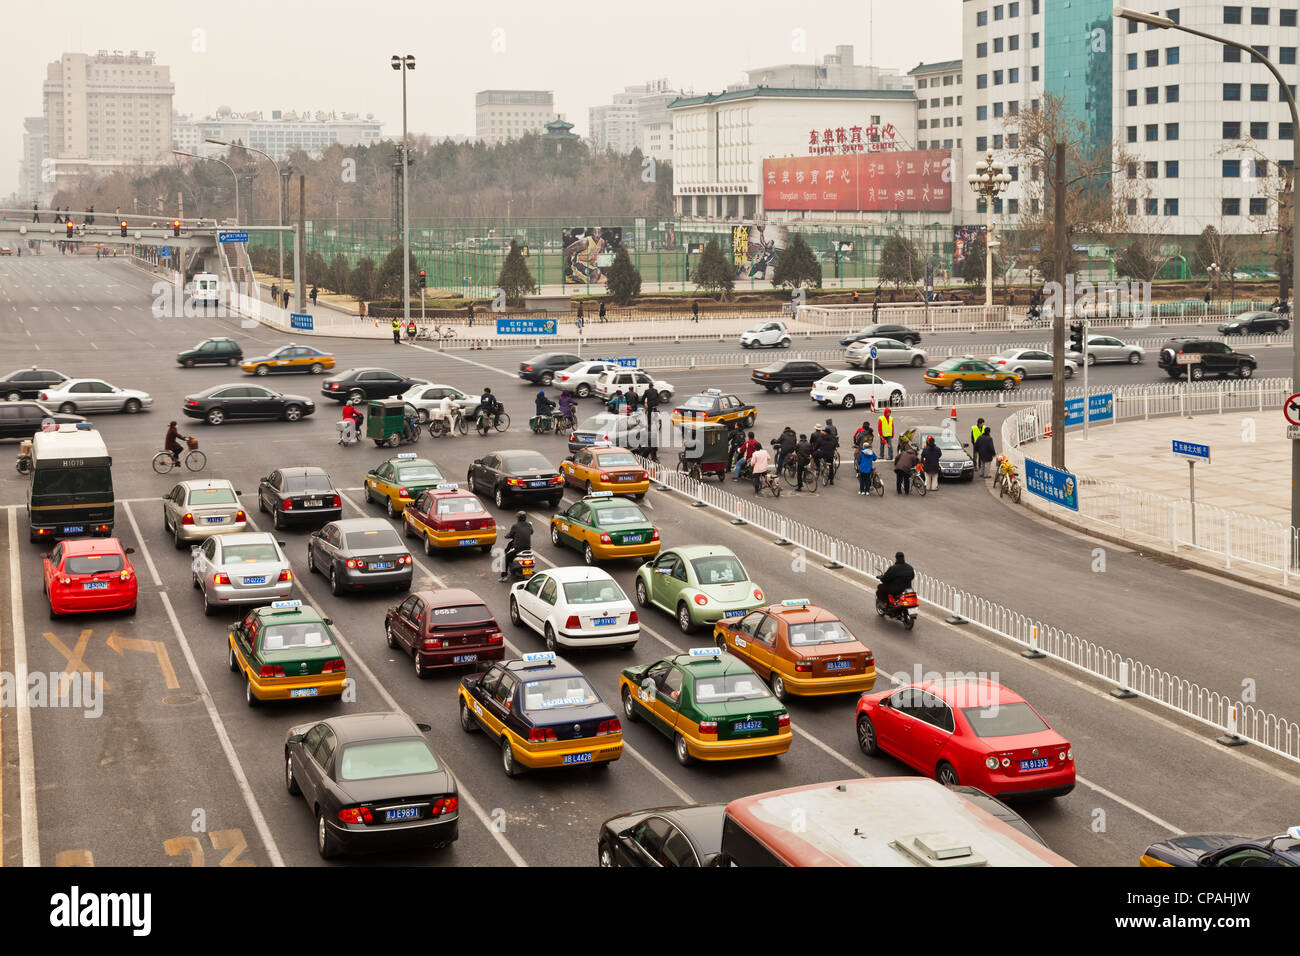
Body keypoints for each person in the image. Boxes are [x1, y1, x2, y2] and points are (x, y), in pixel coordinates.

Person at [499, 511, 533, 582]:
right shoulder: (529, 525)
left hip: (517, 549)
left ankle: (504, 576)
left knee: (506, 557)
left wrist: (506, 536)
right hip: (527, 548)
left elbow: (510, 535)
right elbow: (531, 532)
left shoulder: (515, 526)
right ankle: (527, 573)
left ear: (518, 518)